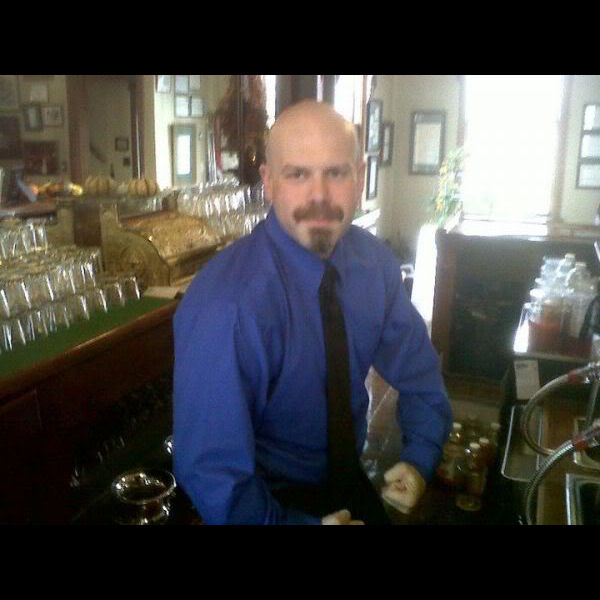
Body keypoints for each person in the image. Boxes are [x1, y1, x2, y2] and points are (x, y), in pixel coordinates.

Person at [173, 100, 452, 525]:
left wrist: (419, 458)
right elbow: (213, 472)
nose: (319, 196)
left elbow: (421, 376)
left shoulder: (374, 264)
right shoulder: (226, 305)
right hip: (264, 502)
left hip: (352, 480)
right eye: (298, 174)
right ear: (269, 183)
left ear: (359, 178)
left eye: (336, 173)